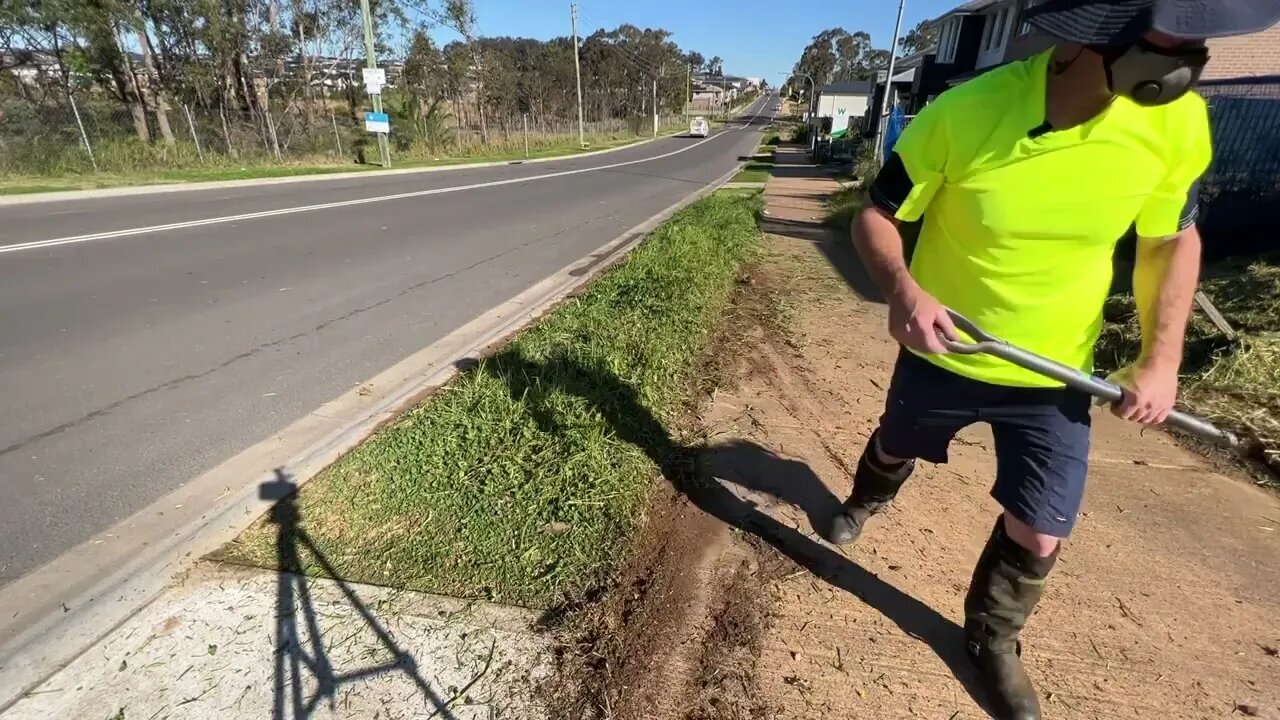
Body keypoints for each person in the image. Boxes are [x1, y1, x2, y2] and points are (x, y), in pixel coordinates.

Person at [827, 2, 1280, 719]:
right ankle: (866, 498)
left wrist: (1161, 359)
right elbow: (878, 216)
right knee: (895, 443)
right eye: (1177, 38)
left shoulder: (1177, 123)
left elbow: (1169, 241)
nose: (1192, 57)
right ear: (1095, 36)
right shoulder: (967, 112)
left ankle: (992, 639)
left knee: (1042, 525)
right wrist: (902, 289)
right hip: (947, 349)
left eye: (1198, 40)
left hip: (1056, 371)